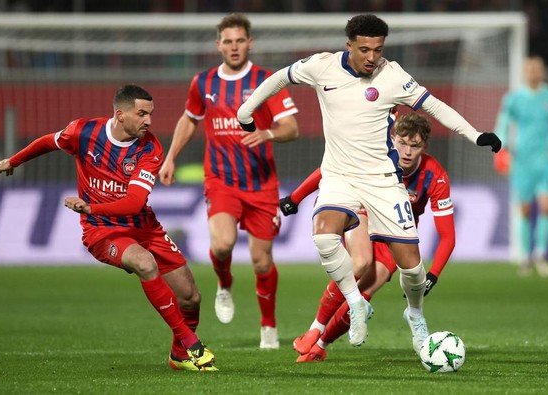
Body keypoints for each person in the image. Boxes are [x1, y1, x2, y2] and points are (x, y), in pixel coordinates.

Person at [237, 14, 501, 351]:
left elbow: (435, 106)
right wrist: (246, 112)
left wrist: (475, 134)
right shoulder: (323, 66)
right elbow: (280, 77)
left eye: (378, 49)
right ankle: (355, 302)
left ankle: (415, 313)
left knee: (414, 270)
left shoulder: (392, 76)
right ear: (348, 45)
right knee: (323, 234)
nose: (372, 57)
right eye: (364, 50)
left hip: (382, 182)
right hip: (338, 175)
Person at [0, 84, 217, 372]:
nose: (149, 120)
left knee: (190, 296)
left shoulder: (150, 148)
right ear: (121, 115)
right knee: (144, 263)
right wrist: (15, 160)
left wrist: (90, 206)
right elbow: (50, 141)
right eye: (142, 114)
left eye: (150, 113)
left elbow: (134, 203)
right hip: (102, 230)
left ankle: (178, 355)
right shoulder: (83, 132)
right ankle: (191, 343)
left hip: (143, 227)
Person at [159, 13, 299, 349]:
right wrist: (170, 156)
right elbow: (190, 119)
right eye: (228, 41)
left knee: (262, 261)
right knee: (221, 245)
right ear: (218, 44)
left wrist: (267, 133)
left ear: (250, 43)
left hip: (261, 185)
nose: (234, 47)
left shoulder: (269, 81)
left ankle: (268, 325)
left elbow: (291, 128)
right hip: (221, 181)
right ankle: (224, 285)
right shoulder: (203, 82)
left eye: (240, 41)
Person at [282, 113, 456, 362]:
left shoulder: (434, 175)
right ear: (392, 138)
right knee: (359, 264)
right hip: (363, 214)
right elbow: (331, 168)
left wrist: (434, 274)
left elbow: (448, 235)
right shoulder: (375, 154)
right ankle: (316, 328)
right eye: (402, 143)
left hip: (394, 230)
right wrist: (295, 197)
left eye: (415, 146)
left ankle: (320, 345)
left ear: (424, 147)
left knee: (368, 288)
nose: (407, 152)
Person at [494, 56, 548, 277]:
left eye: (537, 68)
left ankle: (541, 254)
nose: (533, 72)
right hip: (522, 161)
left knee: (547, 206)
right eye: (529, 69)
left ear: (543, 71)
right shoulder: (514, 98)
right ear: (523, 72)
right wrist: (501, 149)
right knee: (525, 209)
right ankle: (525, 256)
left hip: (546, 160)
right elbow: (503, 123)